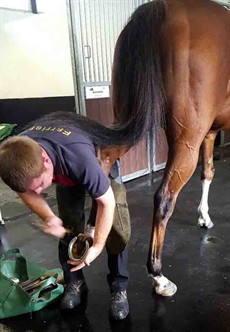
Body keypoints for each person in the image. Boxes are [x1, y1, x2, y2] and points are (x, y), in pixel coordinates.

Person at [0, 112, 131, 320]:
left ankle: (119, 288)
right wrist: (49, 217)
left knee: (117, 231)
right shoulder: (17, 159)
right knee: (67, 226)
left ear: (45, 159)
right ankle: (74, 282)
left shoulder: (79, 159)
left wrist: (97, 246)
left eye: (42, 185)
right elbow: (26, 192)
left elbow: (106, 202)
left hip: (99, 157)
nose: (41, 190)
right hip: (64, 165)